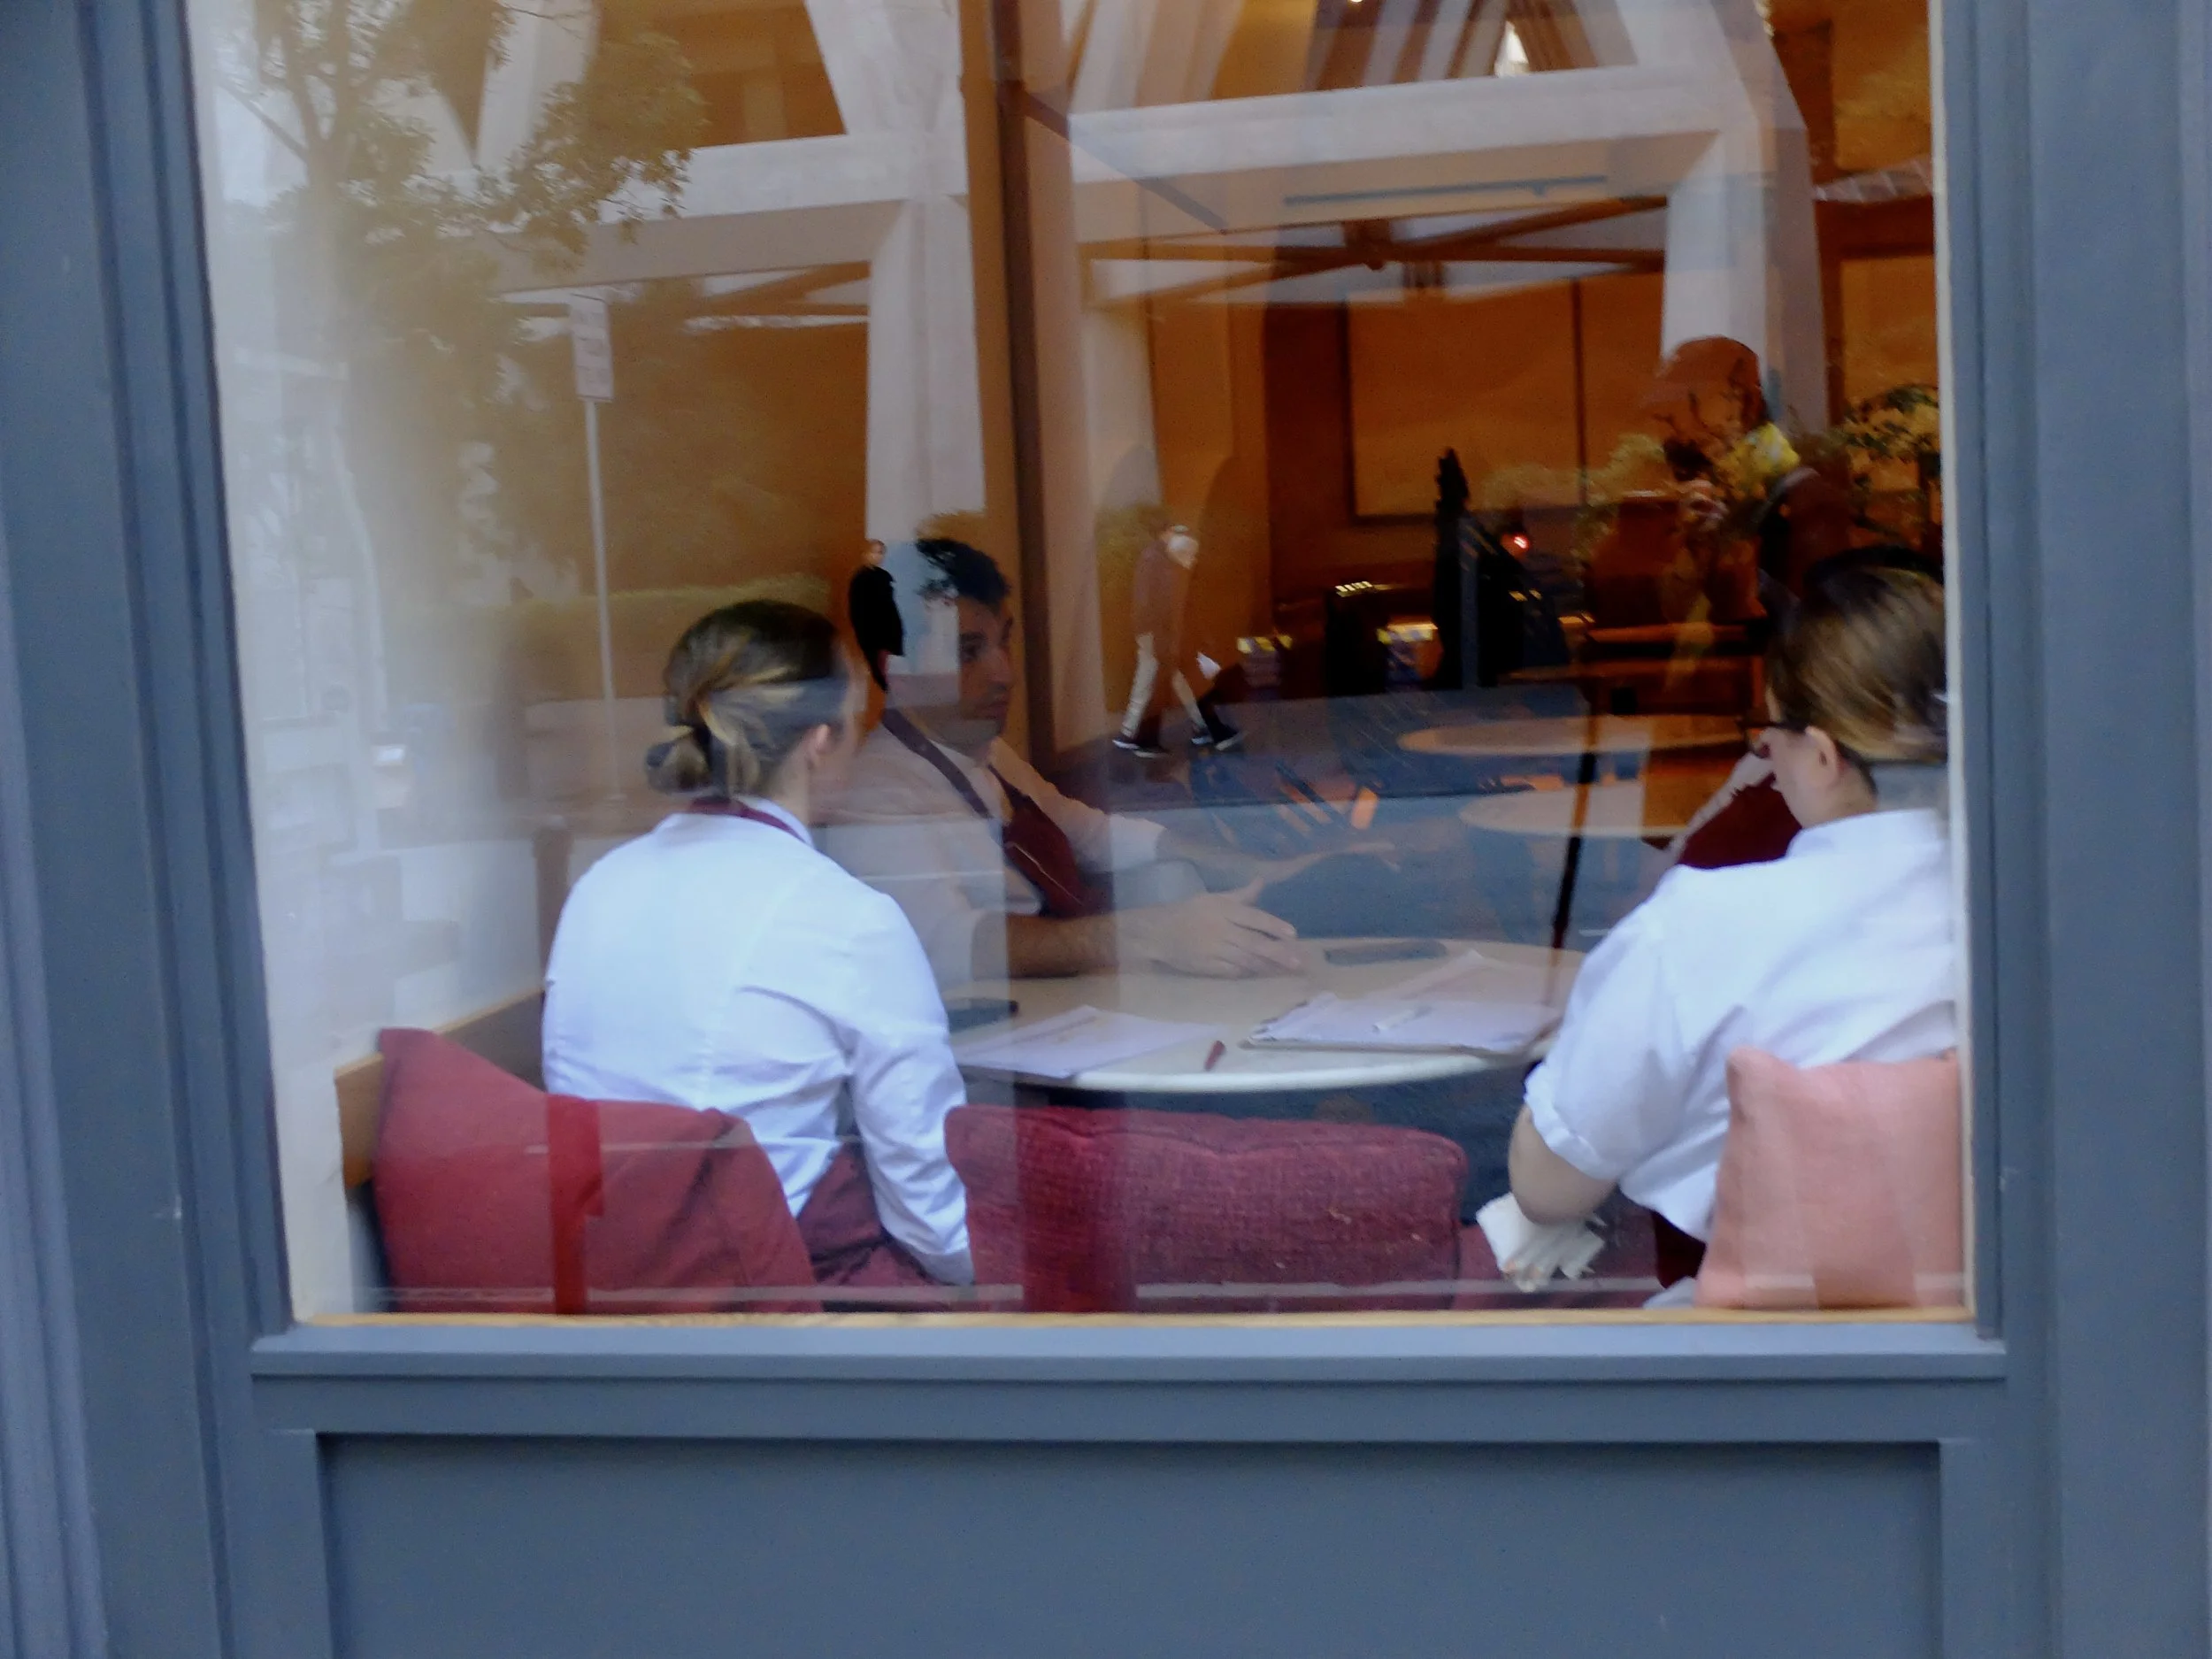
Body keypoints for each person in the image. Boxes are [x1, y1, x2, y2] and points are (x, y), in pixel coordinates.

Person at [1505, 562, 1956, 1287]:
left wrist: (1565, 1053)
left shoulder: (1705, 925)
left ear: (1821, 752)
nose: (1765, 754)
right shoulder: (2033, 911)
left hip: (1759, 1363)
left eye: (1771, 730)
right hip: (2004, 1338)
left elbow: (1549, 1186)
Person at [541, 600, 972, 1292]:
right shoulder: (847, 917)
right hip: (773, 1307)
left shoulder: (596, 889)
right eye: (858, 715)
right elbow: (931, 1215)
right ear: (821, 739)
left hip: (603, 1294)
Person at [823, 537, 1306, 986]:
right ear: (898, 671)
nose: (1004, 673)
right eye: (968, 652)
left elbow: (1087, 834)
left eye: (1003, 642)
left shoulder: (990, 754)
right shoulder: (872, 794)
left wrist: (1238, 866)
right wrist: (1148, 934)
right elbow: (946, 942)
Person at [1115, 523, 1240, 757]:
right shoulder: (1159, 561)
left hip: (1163, 636)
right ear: (1165, 533)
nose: (1193, 560)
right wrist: (1164, 638)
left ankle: (1138, 734)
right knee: (1165, 683)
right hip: (1162, 637)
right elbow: (1164, 607)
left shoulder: (1161, 560)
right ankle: (1142, 735)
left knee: (1162, 682)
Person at [848, 538, 902, 691]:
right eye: (874, 552)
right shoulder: (860, 579)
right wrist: (861, 629)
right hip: (869, 630)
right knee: (874, 667)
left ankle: (882, 692)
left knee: (882, 664)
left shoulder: (884, 577)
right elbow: (856, 608)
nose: (878, 556)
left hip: (886, 629)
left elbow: (889, 604)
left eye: (881, 553)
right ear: (865, 554)